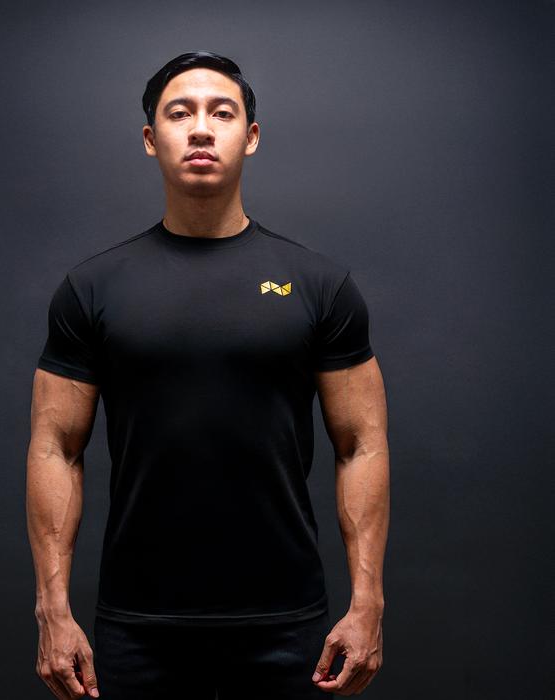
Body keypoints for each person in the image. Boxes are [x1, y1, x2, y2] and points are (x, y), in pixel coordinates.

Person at [26, 51, 390, 699]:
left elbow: (362, 444)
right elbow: (56, 448)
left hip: (287, 627)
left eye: (222, 113)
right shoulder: (92, 288)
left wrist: (368, 603)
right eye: (179, 113)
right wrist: (52, 610)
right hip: (137, 627)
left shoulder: (319, 285)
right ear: (151, 139)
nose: (200, 128)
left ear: (251, 136)